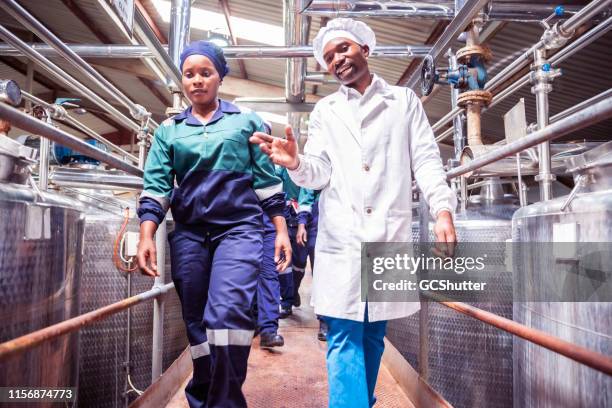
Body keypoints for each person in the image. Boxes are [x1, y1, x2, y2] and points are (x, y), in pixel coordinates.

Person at [250, 18, 457, 408]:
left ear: (365, 48)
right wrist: (296, 162)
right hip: (342, 235)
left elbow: (427, 160)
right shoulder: (326, 110)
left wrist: (442, 209)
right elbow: (320, 171)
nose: (337, 60)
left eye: (342, 49)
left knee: (373, 333)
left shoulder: (403, 101)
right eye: (329, 57)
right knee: (344, 333)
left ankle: (360, 400)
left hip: (386, 232)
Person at [136, 40, 291, 408]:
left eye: (206, 73)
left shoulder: (246, 122)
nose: (197, 81)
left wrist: (281, 229)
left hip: (238, 230)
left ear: (220, 76)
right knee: (197, 325)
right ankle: (203, 398)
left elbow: (266, 181)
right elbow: (156, 186)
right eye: (189, 74)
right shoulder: (169, 131)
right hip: (189, 234)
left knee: (227, 315)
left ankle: (225, 402)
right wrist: (146, 234)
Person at [275, 165, 308, 317]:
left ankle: (293, 291)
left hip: (303, 218)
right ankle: (286, 301)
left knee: (300, 263)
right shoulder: (279, 169)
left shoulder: (304, 167)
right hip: (284, 217)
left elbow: (308, 193)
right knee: (284, 261)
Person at [295, 188, 328, 341]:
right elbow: (306, 194)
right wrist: (302, 224)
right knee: (322, 275)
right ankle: (324, 321)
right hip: (319, 226)